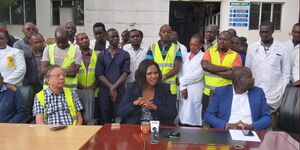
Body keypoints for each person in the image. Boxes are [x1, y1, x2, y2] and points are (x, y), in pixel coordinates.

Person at [245, 21, 290, 129]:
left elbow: (286, 73)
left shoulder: (282, 48)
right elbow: (247, 70)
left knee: (270, 127)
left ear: (272, 31)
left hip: (274, 94)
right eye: (261, 32)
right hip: (255, 91)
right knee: (254, 125)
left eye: (266, 32)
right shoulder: (252, 47)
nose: (264, 34)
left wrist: (282, 91)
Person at [204, 67, 271, 130]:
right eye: (249, 77)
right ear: (239, 80)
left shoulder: (258, 92)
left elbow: (267, 117)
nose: (253, 79)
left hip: (251, 132)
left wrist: (252, 126)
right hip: (226, 133)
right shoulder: (221, 92)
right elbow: (208, 115)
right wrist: (226, 125)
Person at [118, 59, 177, 125]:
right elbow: (120, 113)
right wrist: (133, 104)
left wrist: (154, 107)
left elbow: (173, 114)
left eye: (156, 73)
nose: (154, 76)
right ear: (142, 75)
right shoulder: (132, 88)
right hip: (135, 129)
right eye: (149, 73)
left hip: (159, 129)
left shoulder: (165, 89)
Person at [201, 31, 242, 118]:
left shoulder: (236, 56)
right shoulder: (209, 52)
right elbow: (205, 65)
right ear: (217, 40)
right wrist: (226, 68)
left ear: (230, 42)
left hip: (226, 94)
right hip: (208, 93)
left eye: (225, 40)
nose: (222, 41)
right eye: (220, 39)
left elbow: (235, 74)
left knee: (223, 121)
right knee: (207, 120)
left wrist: (212, 70)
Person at [95, 28, 130, 123]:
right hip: (104, 92)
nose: (115, 38)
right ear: (107, 38)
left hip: (120, 91)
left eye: (117, 36)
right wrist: (111, 87)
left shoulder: (125, 54)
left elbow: (125, 73)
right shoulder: (102, 55)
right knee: (105, 118)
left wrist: (114, 87)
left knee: (119, 118)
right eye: (112, 36)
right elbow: (99, 74)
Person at [146, 24, 182, 95]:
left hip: (171, 88)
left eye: (168, 32)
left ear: (171, 34)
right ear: (159, 34)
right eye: (164, 31)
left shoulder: (177, 48)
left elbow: (177, 68)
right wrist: (157, 78)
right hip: (155, 85)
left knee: (170, 106)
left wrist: (164, 77)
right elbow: (148, 65)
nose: (166, 33)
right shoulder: (152, 47)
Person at [178, 34, 205, 126]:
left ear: (201, 45)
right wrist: (182, 87)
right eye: (190, 44)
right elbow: (180, 71)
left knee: (194, 110)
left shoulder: (204, 56)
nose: (192, 47)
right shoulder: (185, 55)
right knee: (184, 110)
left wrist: (182, 81)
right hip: (183, 88)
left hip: (196, 88)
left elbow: (199, 74)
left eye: (195, 45)